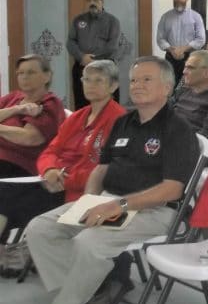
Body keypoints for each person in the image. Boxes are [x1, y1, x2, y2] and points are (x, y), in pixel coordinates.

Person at [25, 56, 199, 304]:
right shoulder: (124, 122)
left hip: (155, 210)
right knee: (40, 228)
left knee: (88, 242)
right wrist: (90, 199)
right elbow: (102, 168)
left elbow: (172, 190)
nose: (137, 85)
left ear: (167, 88)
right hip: (109, 199)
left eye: (147, 80)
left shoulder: (178, 129)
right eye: (134, 80)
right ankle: (93, 289)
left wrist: (118, 205)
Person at [0, 60, 125, 245]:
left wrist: (65, 179)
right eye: (87, 79)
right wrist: (49, 170)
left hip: (79, 190)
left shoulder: (119, 119)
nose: (91, 85)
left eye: (99, 80)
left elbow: (104, 168)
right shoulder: (77, 116)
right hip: (51, 181)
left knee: (7, 199)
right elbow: (50, 151)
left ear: (113, 85)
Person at [0, 54, 64, 178]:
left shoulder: (49, 103)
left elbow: (29, 138)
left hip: (19, 165)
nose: (24, 77)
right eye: (20, 73)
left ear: (47, 76)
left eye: (31, 72)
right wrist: (17, 109)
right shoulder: (13, 97)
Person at [67, 0, 121, 109]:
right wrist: (82, 57)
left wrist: (93, 59)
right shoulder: (78, 20)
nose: (92, 3)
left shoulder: (112, 21)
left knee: (107, 106)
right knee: (82, 105)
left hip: (105, 68)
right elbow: (70, 42)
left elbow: (112, 46)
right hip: (81, 67)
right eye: (89, 0)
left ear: (102, 1)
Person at [156, 0, 205, 85]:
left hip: (190, 57)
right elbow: (160, 39)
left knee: (189, 86)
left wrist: (183, 49)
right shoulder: (165, 17)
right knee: (169, 86)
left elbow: (201, 39)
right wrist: (171, 49)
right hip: (170, 57)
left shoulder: (196, 17)